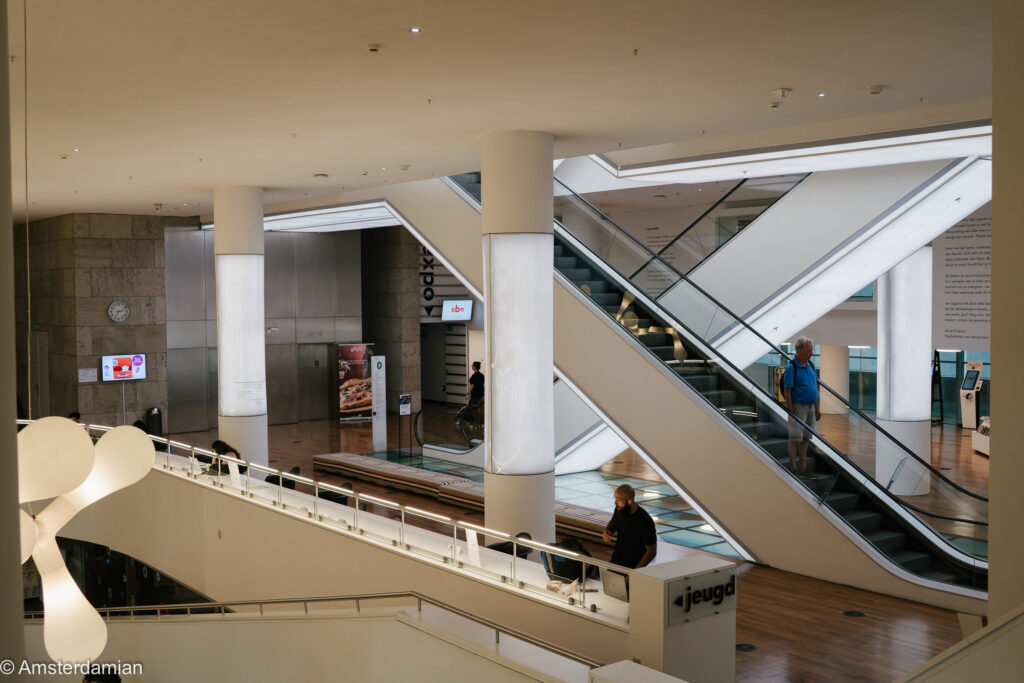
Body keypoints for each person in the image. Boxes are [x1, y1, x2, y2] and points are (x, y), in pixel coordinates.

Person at [783, 337, 821, 479]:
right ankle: (793, 468)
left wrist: (816, 408)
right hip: (799, 406)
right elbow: (787, 391)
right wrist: (791, 413)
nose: (811, 353)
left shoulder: (810, 365)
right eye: (808, 351)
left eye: (811, 350)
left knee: (805, 438)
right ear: (799, 350)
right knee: (795, 438)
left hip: (810, 406)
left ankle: (803, 468)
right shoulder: (791, 368)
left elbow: (813, 388)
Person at [602, 484, 657, 570]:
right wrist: (607, 530)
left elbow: (651, 552)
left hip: (634, 565)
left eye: (618, 500)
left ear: (629, 500)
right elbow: (613, 522)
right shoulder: (619, 509)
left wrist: (634, 573)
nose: (615, 503)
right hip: (617, 560)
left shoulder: (645, 521)